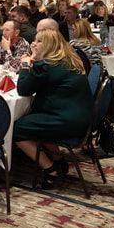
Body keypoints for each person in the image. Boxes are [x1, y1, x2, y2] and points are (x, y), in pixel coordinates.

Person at [13, 29, 92, 185]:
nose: (33, 44)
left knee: (17, 129)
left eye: (39, 41)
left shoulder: (46, 65)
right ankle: (59, 161)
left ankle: (50, 169)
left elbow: (23, 89)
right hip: (82, 116)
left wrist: (25, 63)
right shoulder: (69, 60)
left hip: (66, 120)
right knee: (35, 120)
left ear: (49, 45)